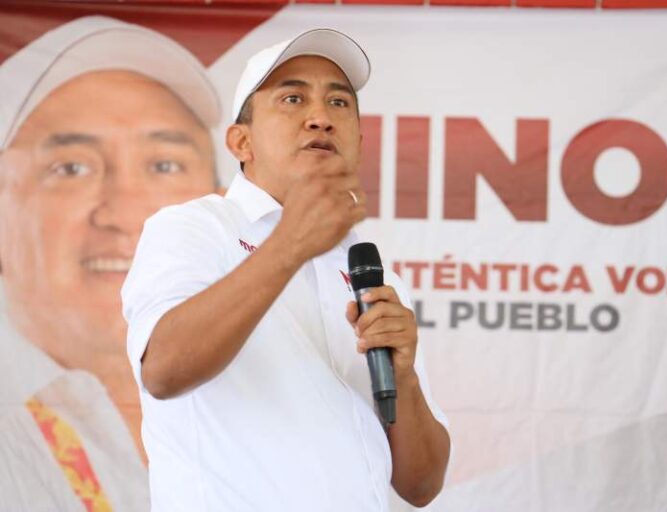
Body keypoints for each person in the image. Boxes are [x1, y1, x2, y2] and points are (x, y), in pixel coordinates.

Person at [122, 28, 450, 510]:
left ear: (359, 142)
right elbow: (164, 372)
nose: (321, 118)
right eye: (293, 98)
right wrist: (289, 245)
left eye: (339, 103)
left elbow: (422, 486)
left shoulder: (369, 273)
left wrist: (404, 378)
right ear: (241, 142)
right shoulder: (193, 228)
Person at [0, 16, 220, 510]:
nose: (123, 215)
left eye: (164, 165)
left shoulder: (285, 389)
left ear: (221, 207)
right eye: (72, 168)